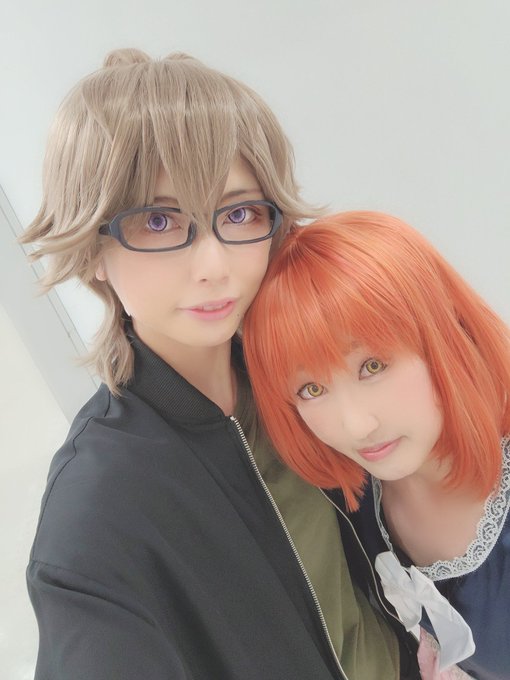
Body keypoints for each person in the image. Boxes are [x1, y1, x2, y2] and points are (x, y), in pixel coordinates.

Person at [21, 52, 419, 680]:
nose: (213, 266)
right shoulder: (96, 511)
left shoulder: (306, 377)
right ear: (92, 247)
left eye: (238, 214)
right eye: (158, 220)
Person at [243, 211, 510, 680]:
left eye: (372, 367)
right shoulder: (351, 503)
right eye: (311, 389)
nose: (356, 426)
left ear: (443, 333)